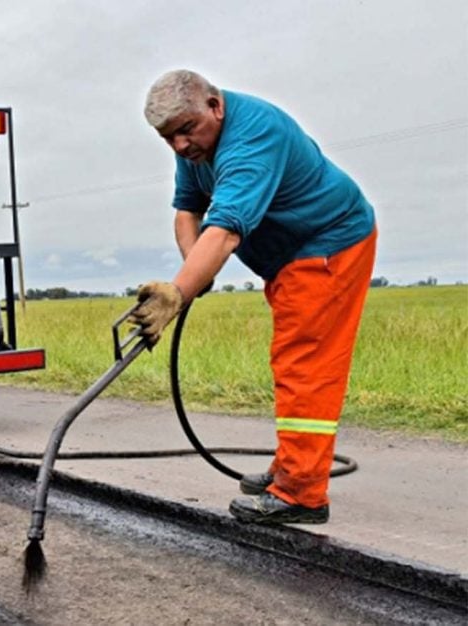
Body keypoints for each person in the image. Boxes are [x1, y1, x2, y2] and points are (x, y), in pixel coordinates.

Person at [133, 70, 377, 524]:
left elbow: (223, 230)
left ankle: (302, 493)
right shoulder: (195, 148)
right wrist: (193, 273)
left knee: (305, 364)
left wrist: (179, 292)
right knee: (292, 362)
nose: (181, 146)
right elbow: (188, 209)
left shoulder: (252, 139)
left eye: (187, 130)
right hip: (288, 257)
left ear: (215, 106)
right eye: (168, 139)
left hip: (328, 244)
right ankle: (292, 466)